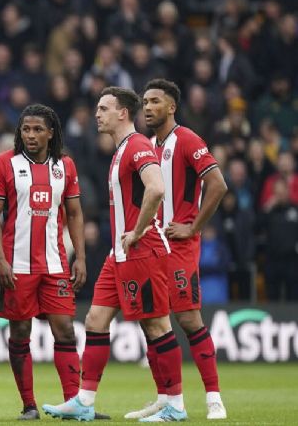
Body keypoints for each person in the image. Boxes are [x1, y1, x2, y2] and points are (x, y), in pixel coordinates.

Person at [43, 87, 187, 422]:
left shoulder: (137, 146)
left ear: (123, 113)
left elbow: (157, 187)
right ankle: (85, 400)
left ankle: (175, 405)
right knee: (95, 320)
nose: (97, 114)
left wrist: (137, 230)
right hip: (119, 254)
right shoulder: (122, 150)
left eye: (104, 108)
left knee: (156, 326)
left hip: (142, 249)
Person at [0, 104, 95, 420]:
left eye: (37, 129)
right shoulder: (4, 164)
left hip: (56, 264)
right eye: (25, 129)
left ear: (51, 133)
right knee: (20, 332)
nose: (30, 135)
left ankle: (74, 403)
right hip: (16, 265)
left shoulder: (65, 166)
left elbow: (74, 213)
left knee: (65, 331)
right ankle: (29, 405)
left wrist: (81, 257)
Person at [127, 79, 228, 420]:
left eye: (155, 101)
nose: (148, 107)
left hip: (179, 244)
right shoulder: (148, 145)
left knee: (188, 319)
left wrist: (193, 226)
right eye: (145, 102)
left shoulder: (187, 139)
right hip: (153, 243)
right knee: (150, 320)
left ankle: (214, 398)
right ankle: (164, 396)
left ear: (171, 107)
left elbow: (218, 184)